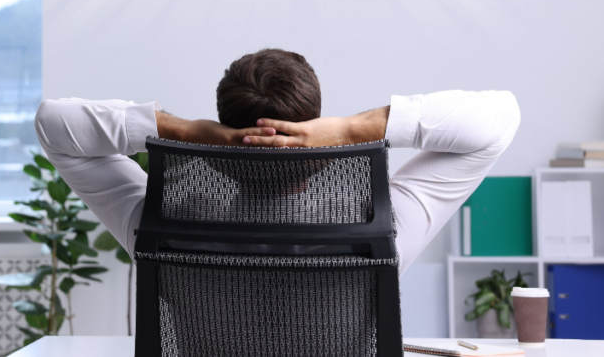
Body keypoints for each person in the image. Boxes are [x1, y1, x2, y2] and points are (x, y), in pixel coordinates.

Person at [34, 48, 520, 270]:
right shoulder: (380, 229)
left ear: (223, 135)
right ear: (315, 129)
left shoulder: (162, 225)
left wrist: (186, 131)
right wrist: (350, 130)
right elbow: (498, 121)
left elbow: (54, 125)